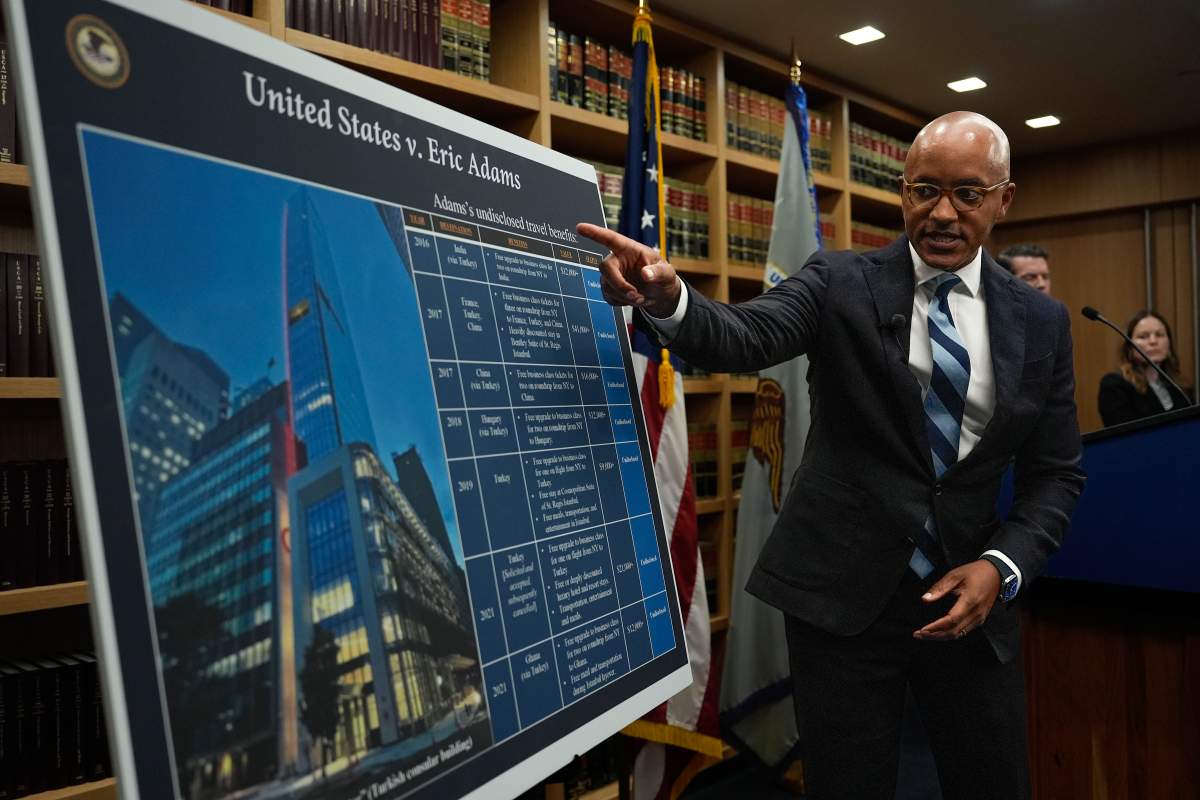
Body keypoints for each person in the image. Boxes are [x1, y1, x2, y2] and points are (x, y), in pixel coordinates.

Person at [577, 111, 1085, 800]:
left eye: (966, 194)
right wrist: (672, 302)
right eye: (923, 190)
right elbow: (744, 336)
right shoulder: (840, 281)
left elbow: (1054, 477)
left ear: (1004, 198)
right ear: (902, 192)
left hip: (972, 602)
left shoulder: (1042, 323)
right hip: (841, 602)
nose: (941, 213)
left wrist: (1002, 568)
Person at [1098, 310, 1192, 426]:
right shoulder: (1115, 385)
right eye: (1143, 336)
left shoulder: (1181, 386)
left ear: (1169, 343)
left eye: (1159, 335)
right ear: (1129, 347)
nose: (1153, 341)